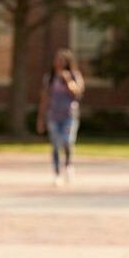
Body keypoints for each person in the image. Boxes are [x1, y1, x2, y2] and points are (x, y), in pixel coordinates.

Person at [36, 49, 84, 186]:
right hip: (53, 116)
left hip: (69, 115)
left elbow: (78, 93)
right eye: (57, 60)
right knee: (55, 145)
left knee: (67, 141)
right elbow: (44, 99)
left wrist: (68, 80)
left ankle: (68, 165)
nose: (58, 63)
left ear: (67, 62)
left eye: (62, 60)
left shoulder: (74, 75)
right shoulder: (50, 78)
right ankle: (57, 173)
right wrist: (40, 118)